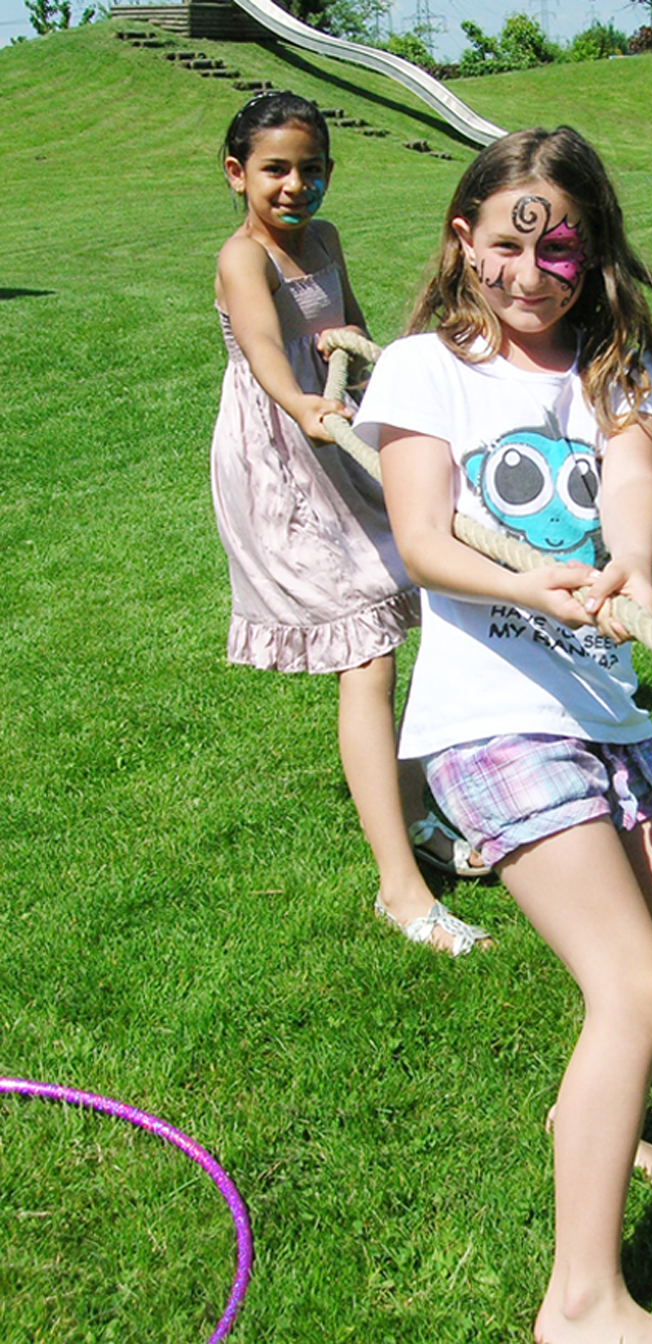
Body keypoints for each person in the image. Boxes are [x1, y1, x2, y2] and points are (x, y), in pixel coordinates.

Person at [355, 126, 652, 1344]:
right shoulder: (424, 369)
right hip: (490, 717)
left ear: (592, 253)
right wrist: (530, 584)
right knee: (631, 982)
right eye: (508, 246)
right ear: (462, 241)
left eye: (561, 252)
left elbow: (629, 481)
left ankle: (595, 1104)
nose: (532, 275)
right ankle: (582, 1306)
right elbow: (422, 539)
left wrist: (628, 561)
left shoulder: (615, 366)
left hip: (601, 706)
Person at [210, 90, 489, 955]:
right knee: (367, 653)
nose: (296, 185)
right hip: (282, 462)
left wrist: (375, 374)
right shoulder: (242, 258)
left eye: (312, 169)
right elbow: (266, 349)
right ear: (237, 174)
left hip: (343, 440)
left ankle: (415, 816)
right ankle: (400, 892)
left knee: (411, 613)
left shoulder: (324, 240)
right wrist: (303, 403)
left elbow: (349, 325)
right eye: (276, 169)